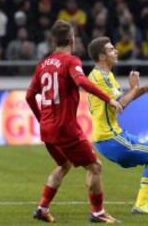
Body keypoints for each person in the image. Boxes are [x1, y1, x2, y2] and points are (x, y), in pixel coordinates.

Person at [26, 20, 123, 223]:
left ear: (54, 40)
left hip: (47, 128)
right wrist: (109, 98)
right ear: (72, 40)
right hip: (65, 127)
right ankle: (98, 212)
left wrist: (42, 119)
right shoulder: (71, 61)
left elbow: (29, 96)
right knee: (95, 167)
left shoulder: (42, 64)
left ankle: (42, 208)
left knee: (64, 164)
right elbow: (81, 81)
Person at [86, 36, 148, 215]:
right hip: (109, 138)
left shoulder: (106, 75)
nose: (115, 51)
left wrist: (144, 89)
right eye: (111, 49)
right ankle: (141, 204)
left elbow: (122, 101)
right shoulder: (100, 77)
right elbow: (120, 105)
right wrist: (134, 87)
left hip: (113, 134)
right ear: (101, 56)